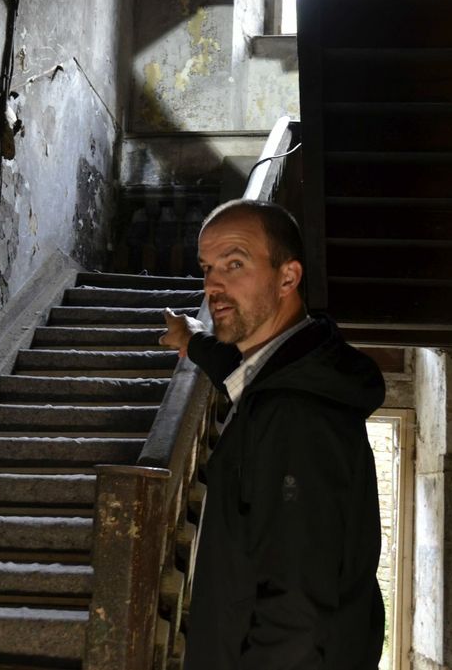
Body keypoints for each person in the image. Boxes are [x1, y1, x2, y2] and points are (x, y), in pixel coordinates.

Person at [160, 199, 386, 670]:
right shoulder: (296, 370)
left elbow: (296, 615)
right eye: (208, 268)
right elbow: (244, 371)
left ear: (288, 277)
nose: (214, 286)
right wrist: (192, 340)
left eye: (235, 264)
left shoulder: (296, 418)